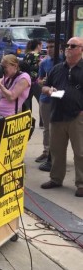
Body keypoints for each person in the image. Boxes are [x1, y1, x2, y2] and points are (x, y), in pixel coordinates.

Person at [40, 37, 83, 198]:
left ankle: (81, 184)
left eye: (73, 46)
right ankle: (56, 178)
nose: (68, 48)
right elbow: (44, 85)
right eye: (67, 46)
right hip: (57, 115)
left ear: (81, 49)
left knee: (80, 152)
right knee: (57, 150)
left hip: (77, 117)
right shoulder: (57, 69)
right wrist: (47, 90)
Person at [36, 39, 56, 171]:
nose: (49, 49)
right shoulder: (44, 62)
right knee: (47, 128)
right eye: (47, 47)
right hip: (46, 99)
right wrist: (42, 82)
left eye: (52, 47)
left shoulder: (63, 61)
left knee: (58, 128)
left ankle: (56, 153)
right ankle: (46, 151)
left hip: (59, 99)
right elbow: (38, 79)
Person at [22, 39, 43, 112]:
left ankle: (28, 119)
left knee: (27, 102)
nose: (41, 48)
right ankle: (42, 122)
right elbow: (40, 67)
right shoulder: (37, 56)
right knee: (42, 101)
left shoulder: (26, 55)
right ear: (38, 46)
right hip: (35, 82)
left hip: (26, 82)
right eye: (41, 46)